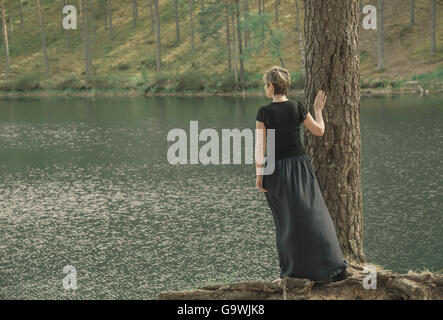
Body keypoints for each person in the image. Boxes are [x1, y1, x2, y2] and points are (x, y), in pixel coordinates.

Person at [255, 66, 348, 286]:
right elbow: (319, 131)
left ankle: (291, 272)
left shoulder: (264, 112)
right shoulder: (297, 107)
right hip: (300, 168)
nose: (265, 89)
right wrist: (318, 111)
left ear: (271, 86)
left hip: (276, 171)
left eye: (266, 85)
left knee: (287, 222)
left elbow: (261, 149)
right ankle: (330, 266)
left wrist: (259, 176)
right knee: (313, 216)